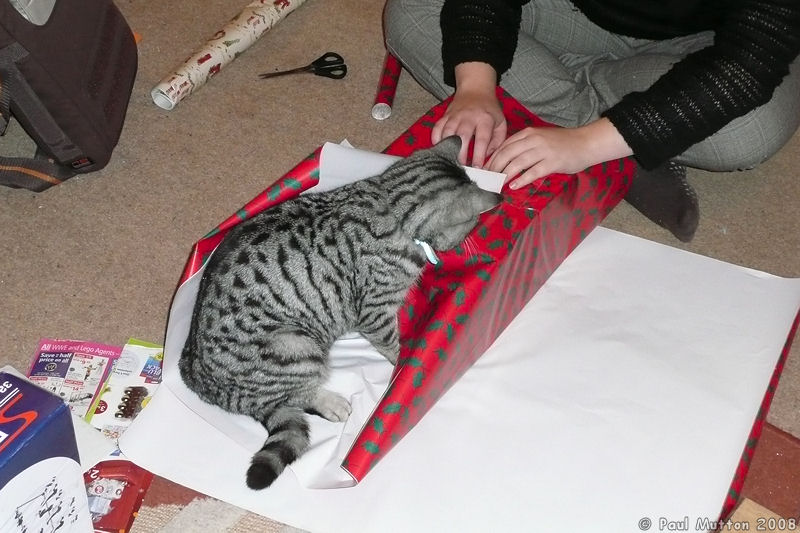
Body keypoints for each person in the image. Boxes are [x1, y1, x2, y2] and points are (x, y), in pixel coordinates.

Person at [383, 0, 800, 241]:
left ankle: (581, 106)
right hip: (570, 11)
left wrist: (586, 145)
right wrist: (474, 84)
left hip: (706, 41)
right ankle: (624, 124)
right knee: (414, 8)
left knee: (753, 130)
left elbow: (749, 61)